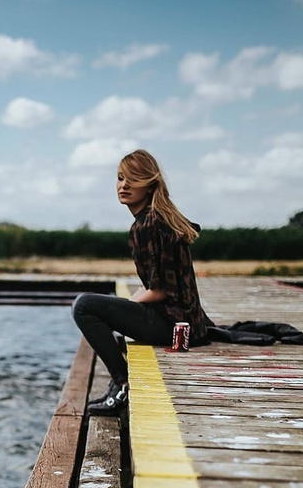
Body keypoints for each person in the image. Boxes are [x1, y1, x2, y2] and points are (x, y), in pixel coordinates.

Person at [72, 149, 210, 415]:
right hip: (189, 325)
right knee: (99, 307)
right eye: (121, 178)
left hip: (174, 326)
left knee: (84, 306)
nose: (124, 185)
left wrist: (126, 305)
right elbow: (158, 286)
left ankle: (122, 384)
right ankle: (119, 383)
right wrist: (129, 306)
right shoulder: (156, 219)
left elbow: (159, 291)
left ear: (149, 184)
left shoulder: (148, 225)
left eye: (133, 179)